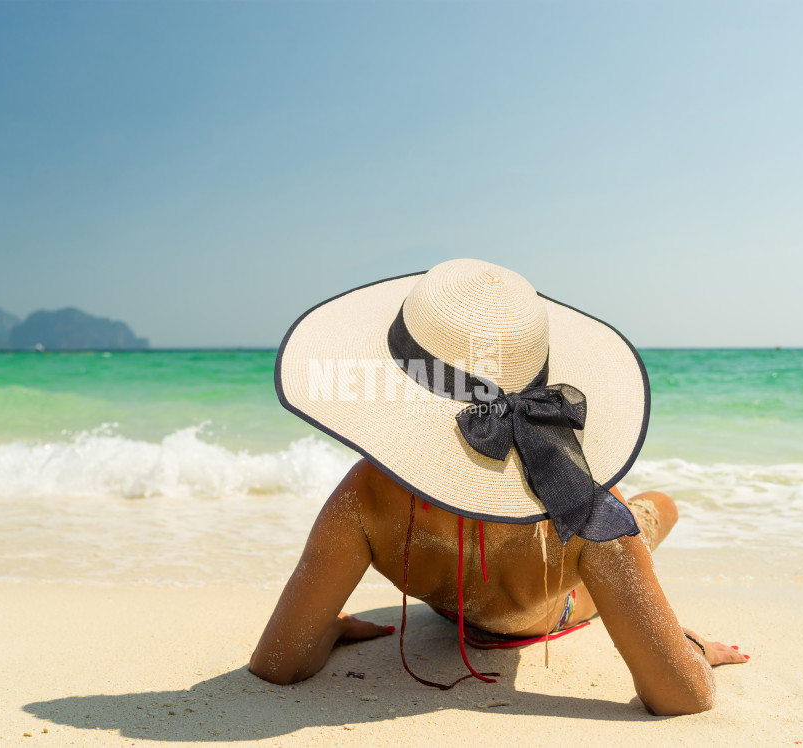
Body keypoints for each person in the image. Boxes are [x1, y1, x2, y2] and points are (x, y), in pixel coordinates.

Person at [250, 259, 747, 715]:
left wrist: (330, 624)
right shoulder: (583, 504)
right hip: (548, 606)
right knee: (655, 508)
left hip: (457, 604)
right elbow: (683, 696)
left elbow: (279, 662)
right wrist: (687, 654)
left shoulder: (366, 494)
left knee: (656, 509)